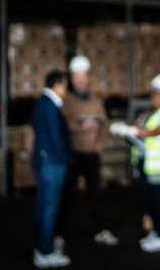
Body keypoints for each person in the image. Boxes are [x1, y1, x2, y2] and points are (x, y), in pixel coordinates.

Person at [111, 73, 160, 253]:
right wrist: (128, 128)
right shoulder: (153, 112)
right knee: (149, 202)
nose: (153, 98)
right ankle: (156, 232)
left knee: (159, 203)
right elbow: (140, 125)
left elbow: (154, 132)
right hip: (148, 165)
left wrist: (132, 130)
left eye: (156, 94)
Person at [56, 55, 119, 251]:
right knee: (67, 197)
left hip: (92, 154)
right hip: (74, 155)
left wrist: (99, 145)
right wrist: (81, 125)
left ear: (88, 78)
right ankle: (60, 235)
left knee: (95, 196)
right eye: (77, 77)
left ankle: (100, 231)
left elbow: (104, 124)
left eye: (83, 76)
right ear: (72, 79)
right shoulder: (66, 101)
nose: (81, 80)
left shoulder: (96, 101)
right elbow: (62, 125)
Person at [31, 70, 73, 268]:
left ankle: (43, 247)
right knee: (49, 208)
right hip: (52, 163)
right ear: (58, 84)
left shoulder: (44, 104)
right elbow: (56, 136)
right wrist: (64, 158)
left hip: (45, 161)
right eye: (65, 85)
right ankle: (45, 252)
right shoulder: (49, 106)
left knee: (44, 207)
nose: (66, 89)